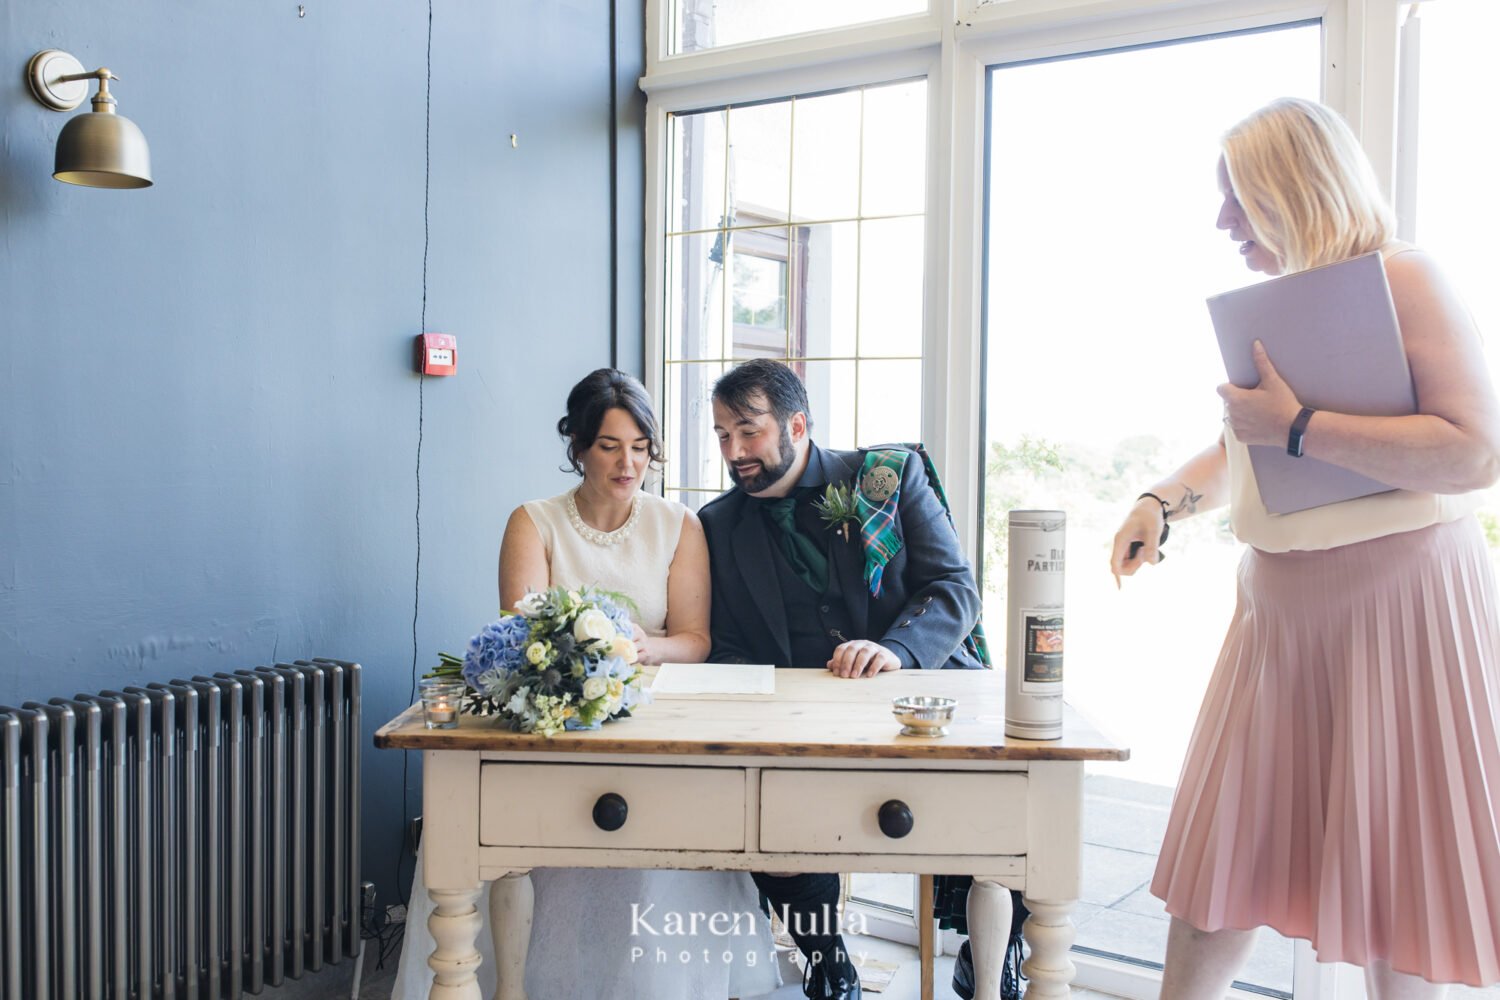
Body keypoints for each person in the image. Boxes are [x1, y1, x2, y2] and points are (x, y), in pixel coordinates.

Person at [1110, 97, 1500, 1000]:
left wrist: (1298, 427)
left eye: (1238, 197)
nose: (1222, 221)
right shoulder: (1276, 306)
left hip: (1402, 610)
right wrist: (1160, 501)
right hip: (1279, 616)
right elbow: (1243, 440)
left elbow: (1474, 450)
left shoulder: (1404, 275)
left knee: (1400, 881)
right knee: (1219, 866)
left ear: (1293, 186)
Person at [394, 369, 778, 1000]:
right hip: (556, 716)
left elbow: (695, 640)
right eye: (609, 446)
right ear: (577, 447)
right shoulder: (534, 521)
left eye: (641, 447)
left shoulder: (678, 524)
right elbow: (522, 636)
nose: (629, 463)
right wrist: (581, 658)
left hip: (649, 716)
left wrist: (636, 648)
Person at [698, 358, 987, 1000]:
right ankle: (828, 961)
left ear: (797, 424)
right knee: (765, 802)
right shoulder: (717, 525)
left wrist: (898, 650)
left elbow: (955, 588)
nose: (734, 451)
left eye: (748, 432)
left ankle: (994, 949)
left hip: (920, 699)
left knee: (1002, 794)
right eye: (722, 435)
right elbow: (729, 646)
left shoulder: (886, 477)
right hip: (802, 723)